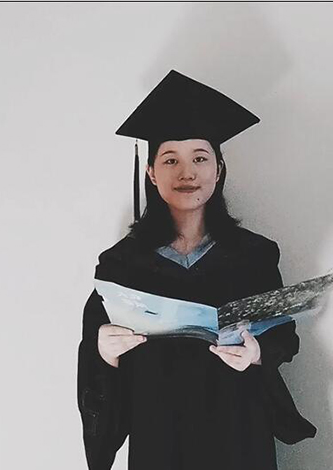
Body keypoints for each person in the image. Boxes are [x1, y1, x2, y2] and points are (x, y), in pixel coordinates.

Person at [77, 70, 316, 470]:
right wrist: (105, 351)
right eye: (171, 159)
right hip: (159, 436)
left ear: (218, 169)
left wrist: (256, 353)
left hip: (238, 433)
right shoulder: (121, 265)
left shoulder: (254, 256)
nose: (187, 172)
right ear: (152, 172)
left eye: (200, 158)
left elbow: (283, 336)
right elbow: (95, 353)